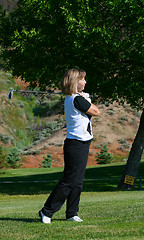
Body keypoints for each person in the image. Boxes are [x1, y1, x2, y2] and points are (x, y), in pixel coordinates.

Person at [39, 68, 100, 224]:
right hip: (76, 143)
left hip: (82, 142)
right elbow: (96, 111)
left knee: (77, 181)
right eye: (83, 79)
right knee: (69, 180)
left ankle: (72, 212)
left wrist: (84, 97)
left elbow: (90, 109)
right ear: (75, 82)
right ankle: (46, 211)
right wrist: (85, 99)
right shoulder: (77, 99)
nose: (85, 82)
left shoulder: (76, 98)